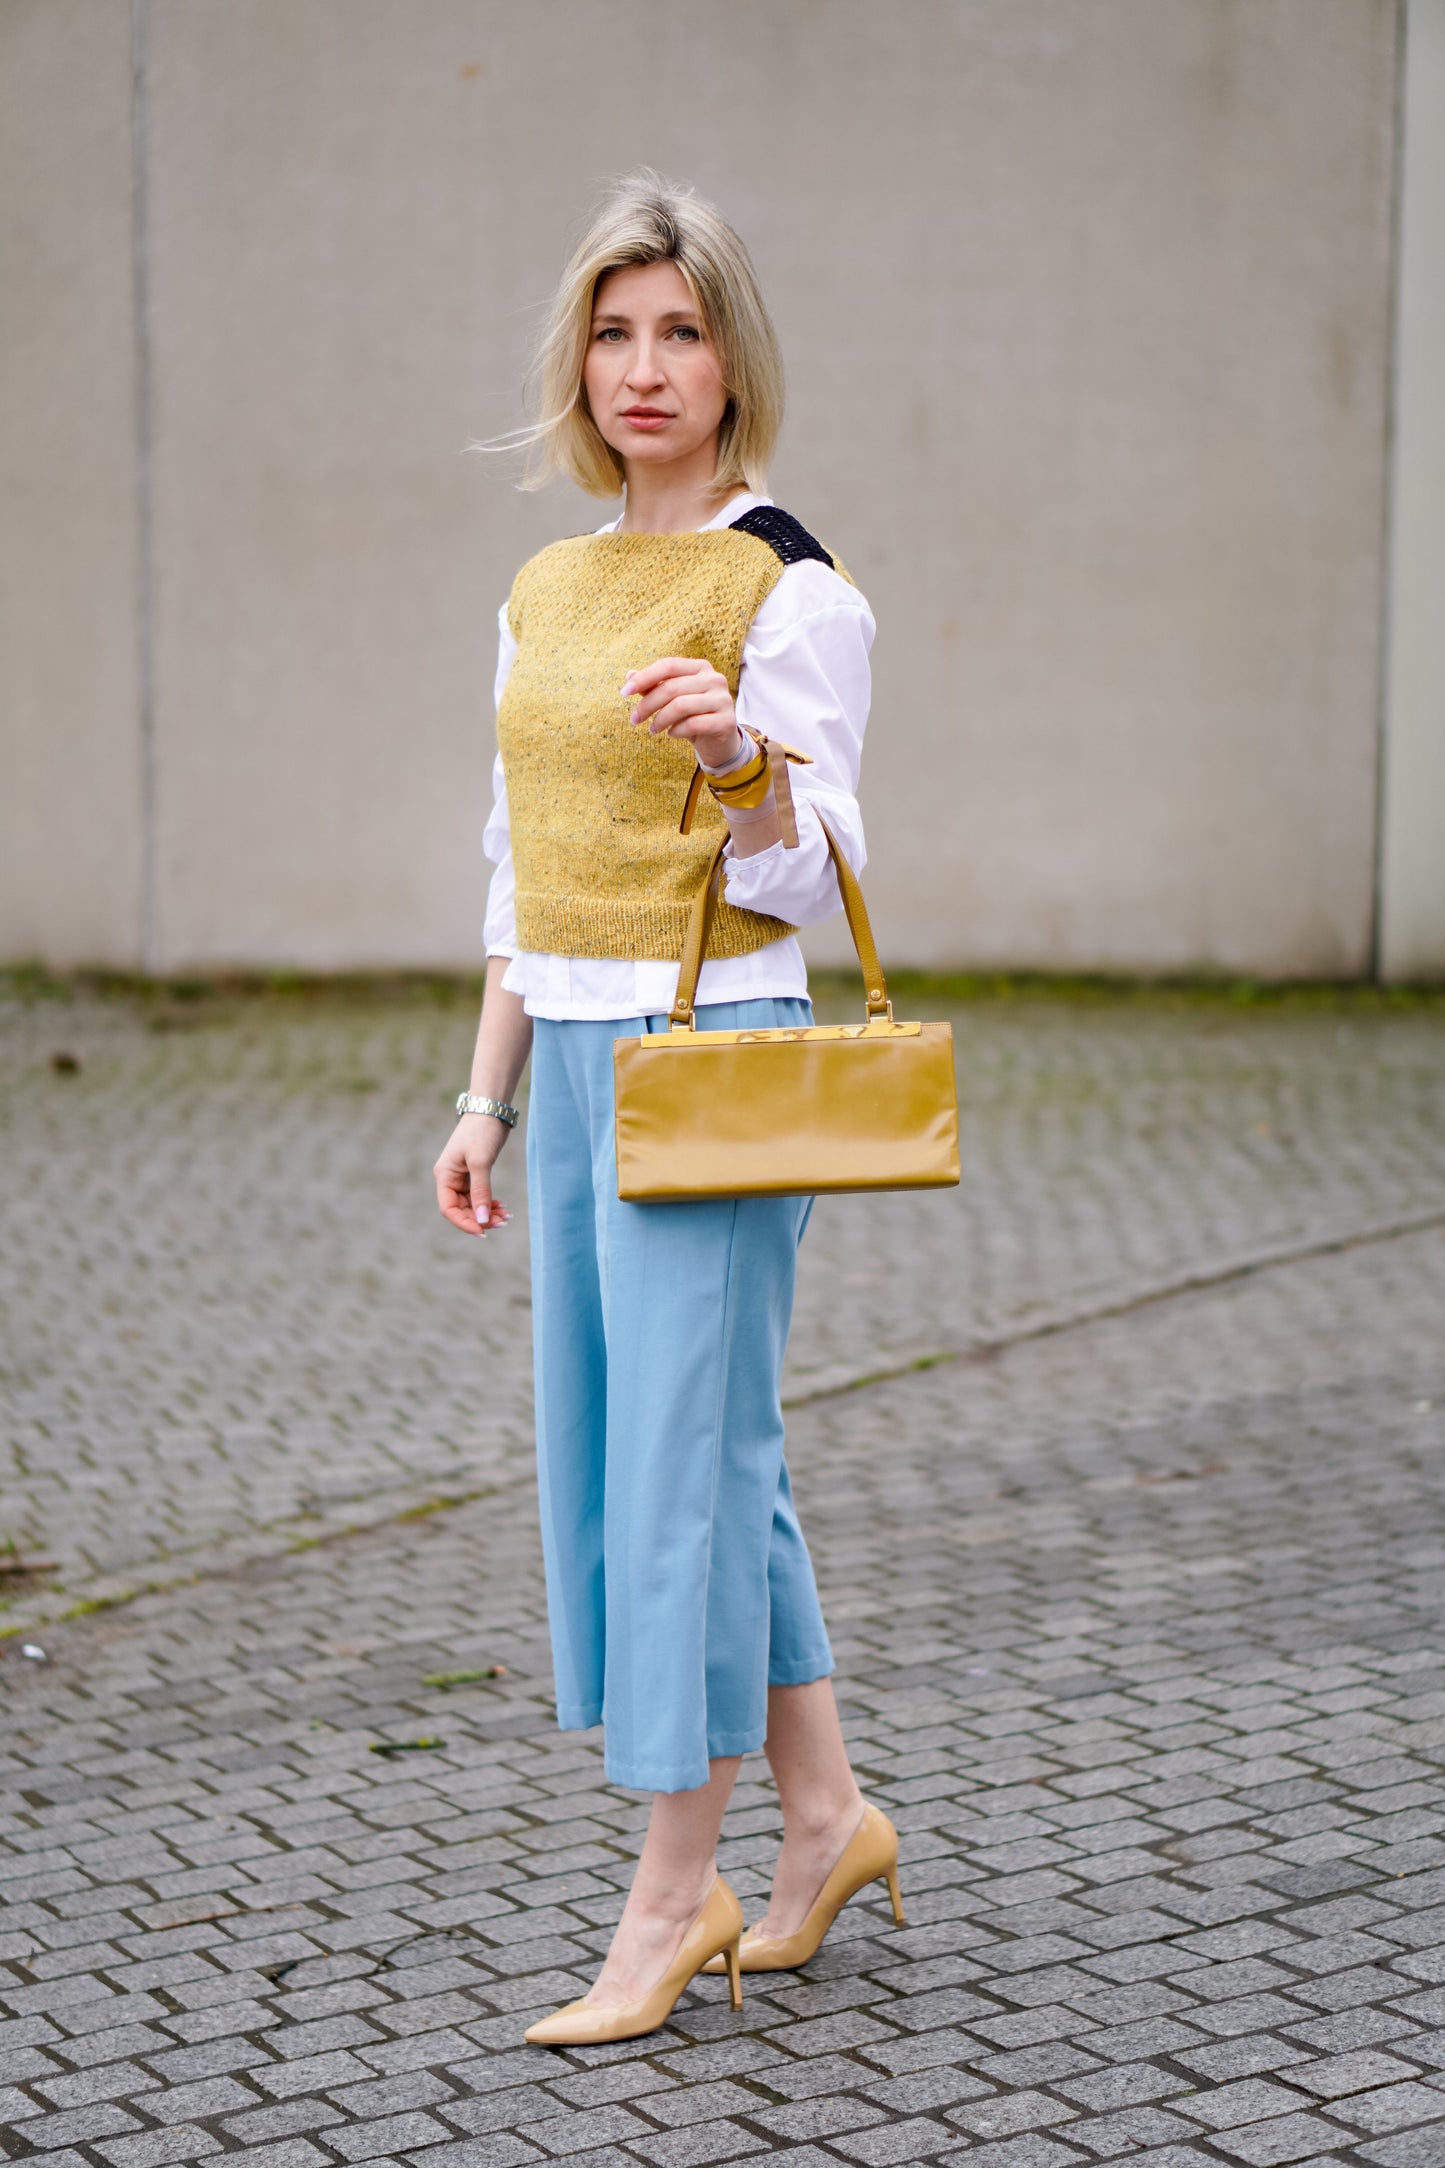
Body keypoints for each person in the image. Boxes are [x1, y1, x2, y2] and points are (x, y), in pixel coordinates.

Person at [433, 170, 904, 2047]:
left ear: (732, 359)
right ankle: (824, 1819)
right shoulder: (543, 590)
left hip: (711, 1068)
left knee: (676, 1480)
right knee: (683, 1460)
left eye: (681, 332)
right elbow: (511, 862)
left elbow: (830, 859)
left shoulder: (792, 581)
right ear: (578, 360)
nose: (645, 368)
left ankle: (667, 1894)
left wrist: (745, 760)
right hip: (567, 1061)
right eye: (615, 333)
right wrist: (478, 1099)